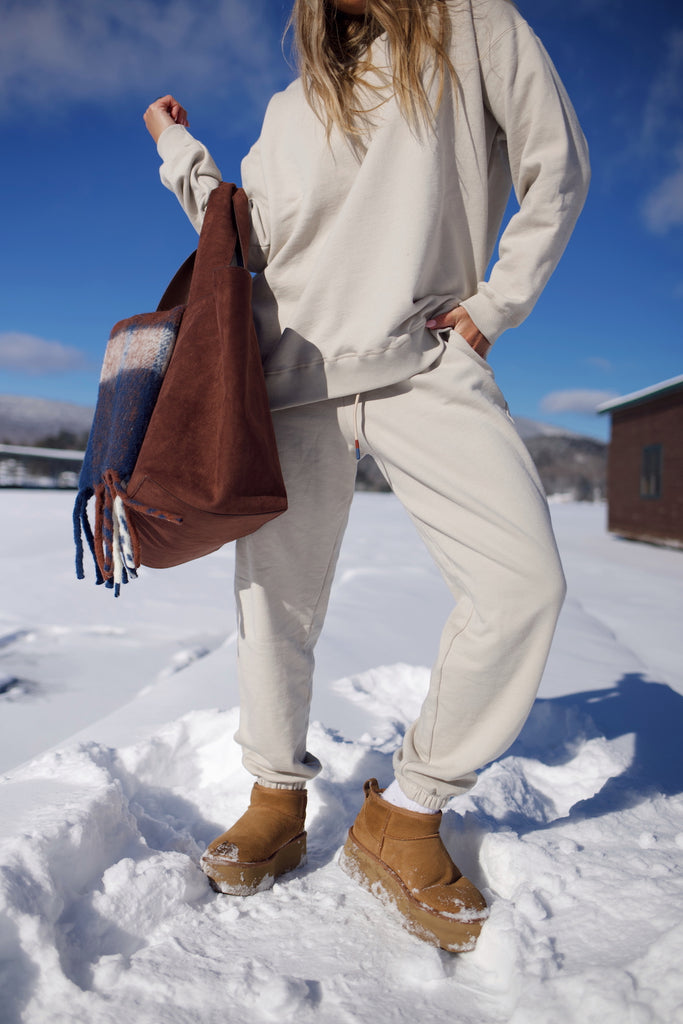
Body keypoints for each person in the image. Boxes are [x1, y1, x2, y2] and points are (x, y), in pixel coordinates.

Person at [144, 0, 589, 952]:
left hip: (426, 359)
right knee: (275, 602)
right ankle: (274, 796)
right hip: (289, 377)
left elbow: (557, 167)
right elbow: (241, 236)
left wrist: (491, 307)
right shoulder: (290, 106)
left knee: (521, 586)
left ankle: (408, 811)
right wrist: (177, 148)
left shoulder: (474, 29)